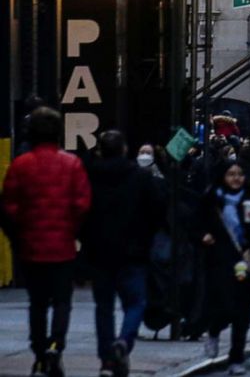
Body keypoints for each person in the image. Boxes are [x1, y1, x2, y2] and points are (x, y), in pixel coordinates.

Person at [1, 107, 90, 376]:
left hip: (31, 248)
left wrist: (17, 237)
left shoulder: (21, 165)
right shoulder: (72, 164)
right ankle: (56, 345)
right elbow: (82, 205)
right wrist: (75, 234)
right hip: (62, 247)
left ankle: (39, 351)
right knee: (62, 300)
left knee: (37, 302)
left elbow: (9, 207)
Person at [84, 130, 164, 377]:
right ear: (124, 150)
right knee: (136, 302)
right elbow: (157, 210)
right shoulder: (140, 178)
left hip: (100, 252)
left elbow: (83, 212)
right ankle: (124, 342)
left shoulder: (90, 176)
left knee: (103, 307)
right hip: (133, 251)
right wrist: (147, 238)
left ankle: (107, 358)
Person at [196, 161, 250, 375]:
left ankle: (235, 357)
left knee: (243, 311)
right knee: (225, 305)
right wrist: (203, 236)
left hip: (245, 257)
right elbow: (195, 224)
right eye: (231, 174)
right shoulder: (212, 199)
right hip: (220, 258)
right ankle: (215, 329)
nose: (236, 179)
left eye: (239, 174)